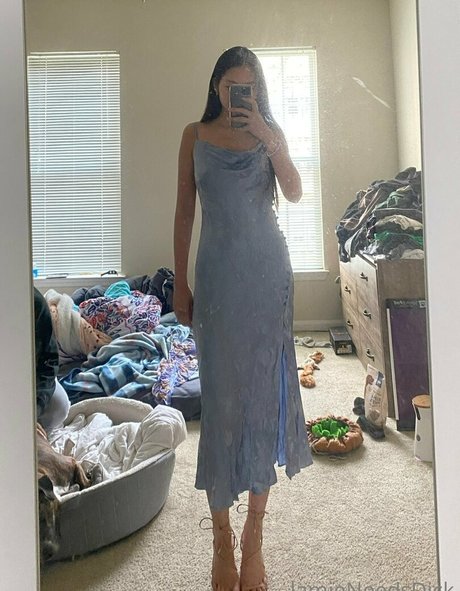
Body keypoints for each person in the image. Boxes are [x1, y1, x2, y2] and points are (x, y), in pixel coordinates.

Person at [173, 46, 313, 591]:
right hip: (216, 284)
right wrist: (179, 282)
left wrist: (267, 136)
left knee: (260, 402)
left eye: (246, 88)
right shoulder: (193, 135)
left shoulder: (268, 134)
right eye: (230, 87)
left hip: (267, 279)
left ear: (258, 91)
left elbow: (295, 192)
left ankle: (253, 536)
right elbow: (185, 211)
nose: (237, 96)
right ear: (216, 87)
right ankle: (220, 538)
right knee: (222, 404)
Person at [34, 287, 70, 432]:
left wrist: (36, 407)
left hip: (25, 378)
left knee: (59, 407)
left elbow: (49, 361)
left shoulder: (33, 302)